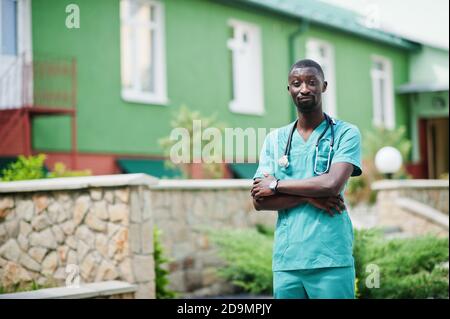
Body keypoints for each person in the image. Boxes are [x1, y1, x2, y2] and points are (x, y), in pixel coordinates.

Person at [251, 59, 362, 299]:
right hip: (287, 262)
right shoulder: (274, 140)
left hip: (330, 258)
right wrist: (310, 198)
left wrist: (277, 185)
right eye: (296, 83)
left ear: (324, 86)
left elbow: (332, 184)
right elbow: (260, 201)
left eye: (312, 82)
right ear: (289, 89)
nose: (304, 88)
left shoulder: (345, 133)